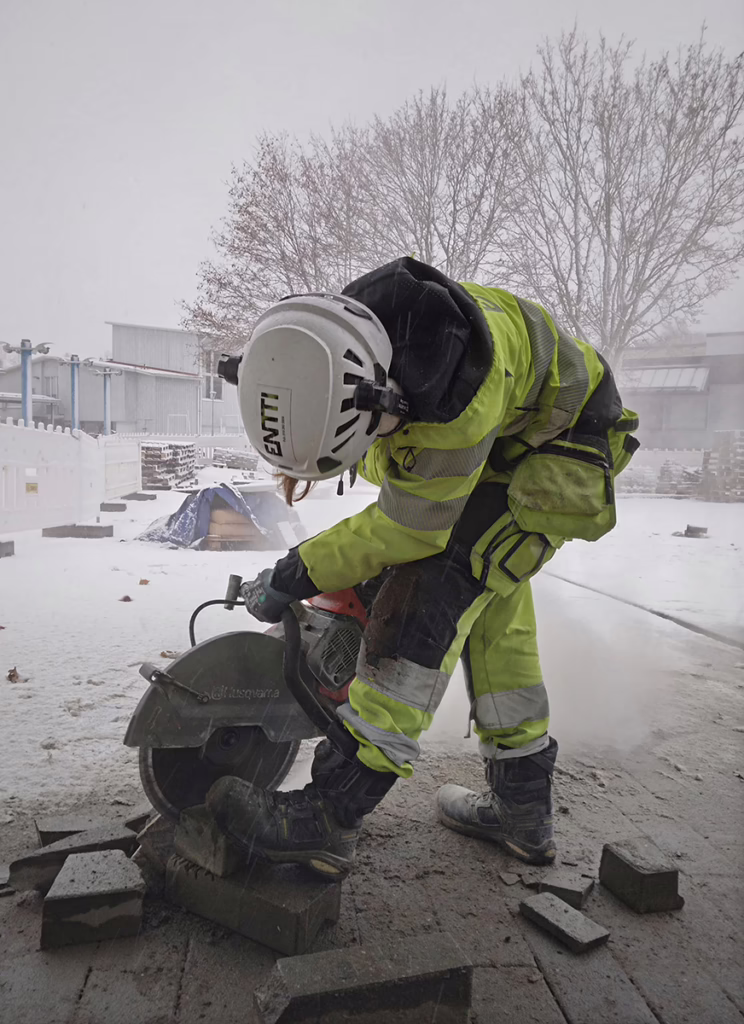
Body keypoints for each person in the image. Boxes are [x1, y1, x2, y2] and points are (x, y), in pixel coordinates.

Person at [206, 257, 639, 879]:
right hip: (513, 439)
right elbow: (398, 467)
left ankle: (330, 814)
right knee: (492, 609)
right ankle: (522, 808)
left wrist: (295, 571)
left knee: (426, 595)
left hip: (564, 453)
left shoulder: (454, 389)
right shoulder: (343, 341)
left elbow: (409, 526)